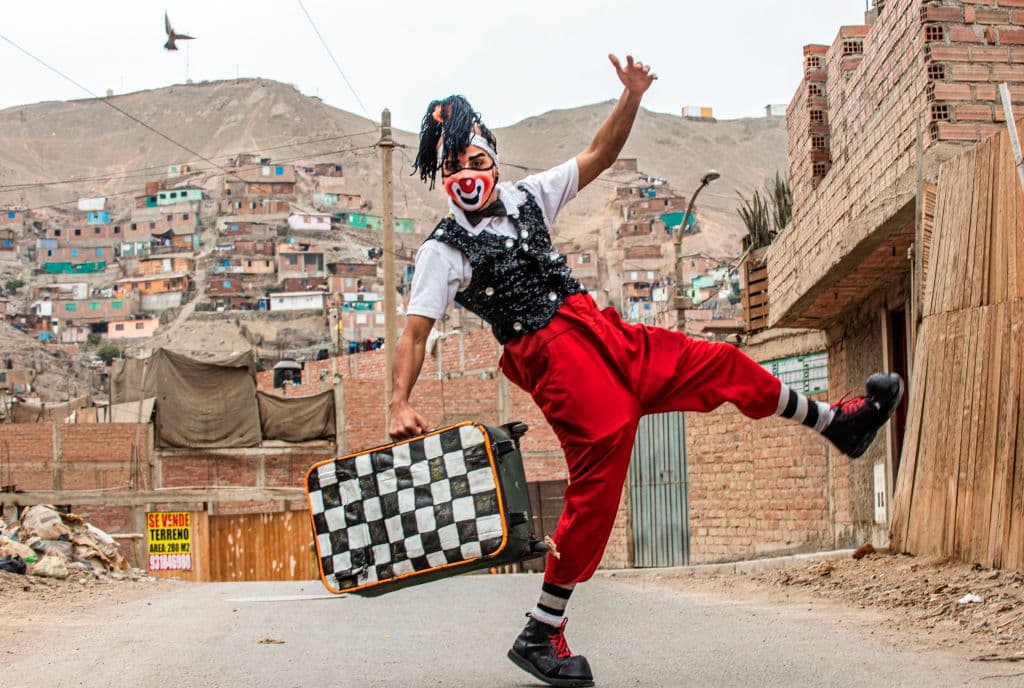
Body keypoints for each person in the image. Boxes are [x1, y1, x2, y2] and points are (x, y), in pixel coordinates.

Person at [390, 54, 903, 688]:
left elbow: (599, 154)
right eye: (451, 169)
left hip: (604, 333)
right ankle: (542, 630)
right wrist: (398, 402)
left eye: (474, 160)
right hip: (554, 359)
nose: (466, 176)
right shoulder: (443, 249)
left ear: (491, 157)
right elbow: (416, 331)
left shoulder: (528, 196)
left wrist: (631, 96)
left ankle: (835, 424)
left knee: (718, 362)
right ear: (441, 179)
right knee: (598, 480)